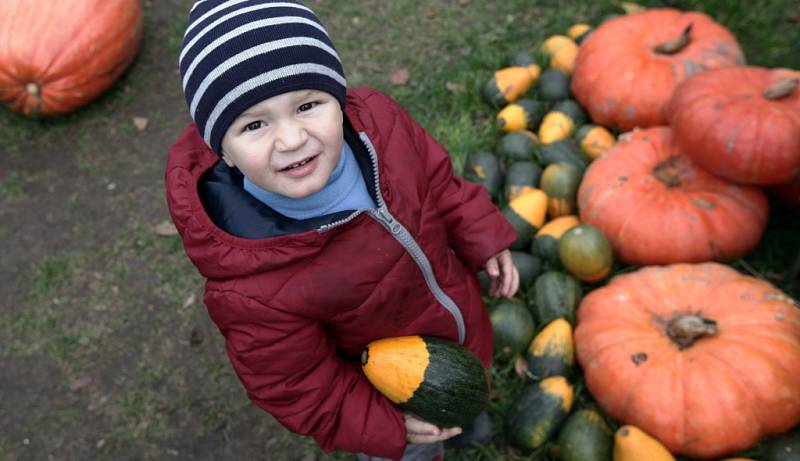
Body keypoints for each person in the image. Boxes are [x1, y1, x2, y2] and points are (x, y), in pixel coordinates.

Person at [165, 1, 519, 459]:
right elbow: (297, 384)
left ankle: (467, 416)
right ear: (224, 152)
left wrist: (480, 233)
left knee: (469, 384)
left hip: (457, 317)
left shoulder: (382, 128)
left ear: (340, 98)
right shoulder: (250, 286)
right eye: (254, 124)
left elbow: (438, 182)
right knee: (414, 448)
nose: (292, 138)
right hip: (389, 393)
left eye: (308, 105)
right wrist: (386, 426)